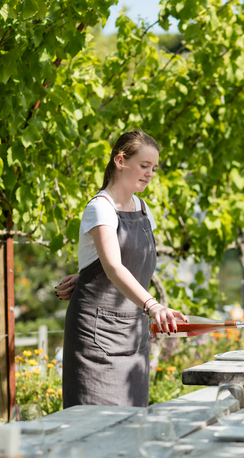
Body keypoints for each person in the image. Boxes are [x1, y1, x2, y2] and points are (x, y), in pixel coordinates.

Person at [55, 130, 185, 408]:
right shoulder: (100, 208)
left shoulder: (143, 209)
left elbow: (133, 261)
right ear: (120, 160)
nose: (150, 173)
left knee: (132, 424)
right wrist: (153, 305)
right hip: (96, 338)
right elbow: (114, 266)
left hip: (133, 334)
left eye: (154, 168)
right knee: (97, 424)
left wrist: (88, 277)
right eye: (144, 165)